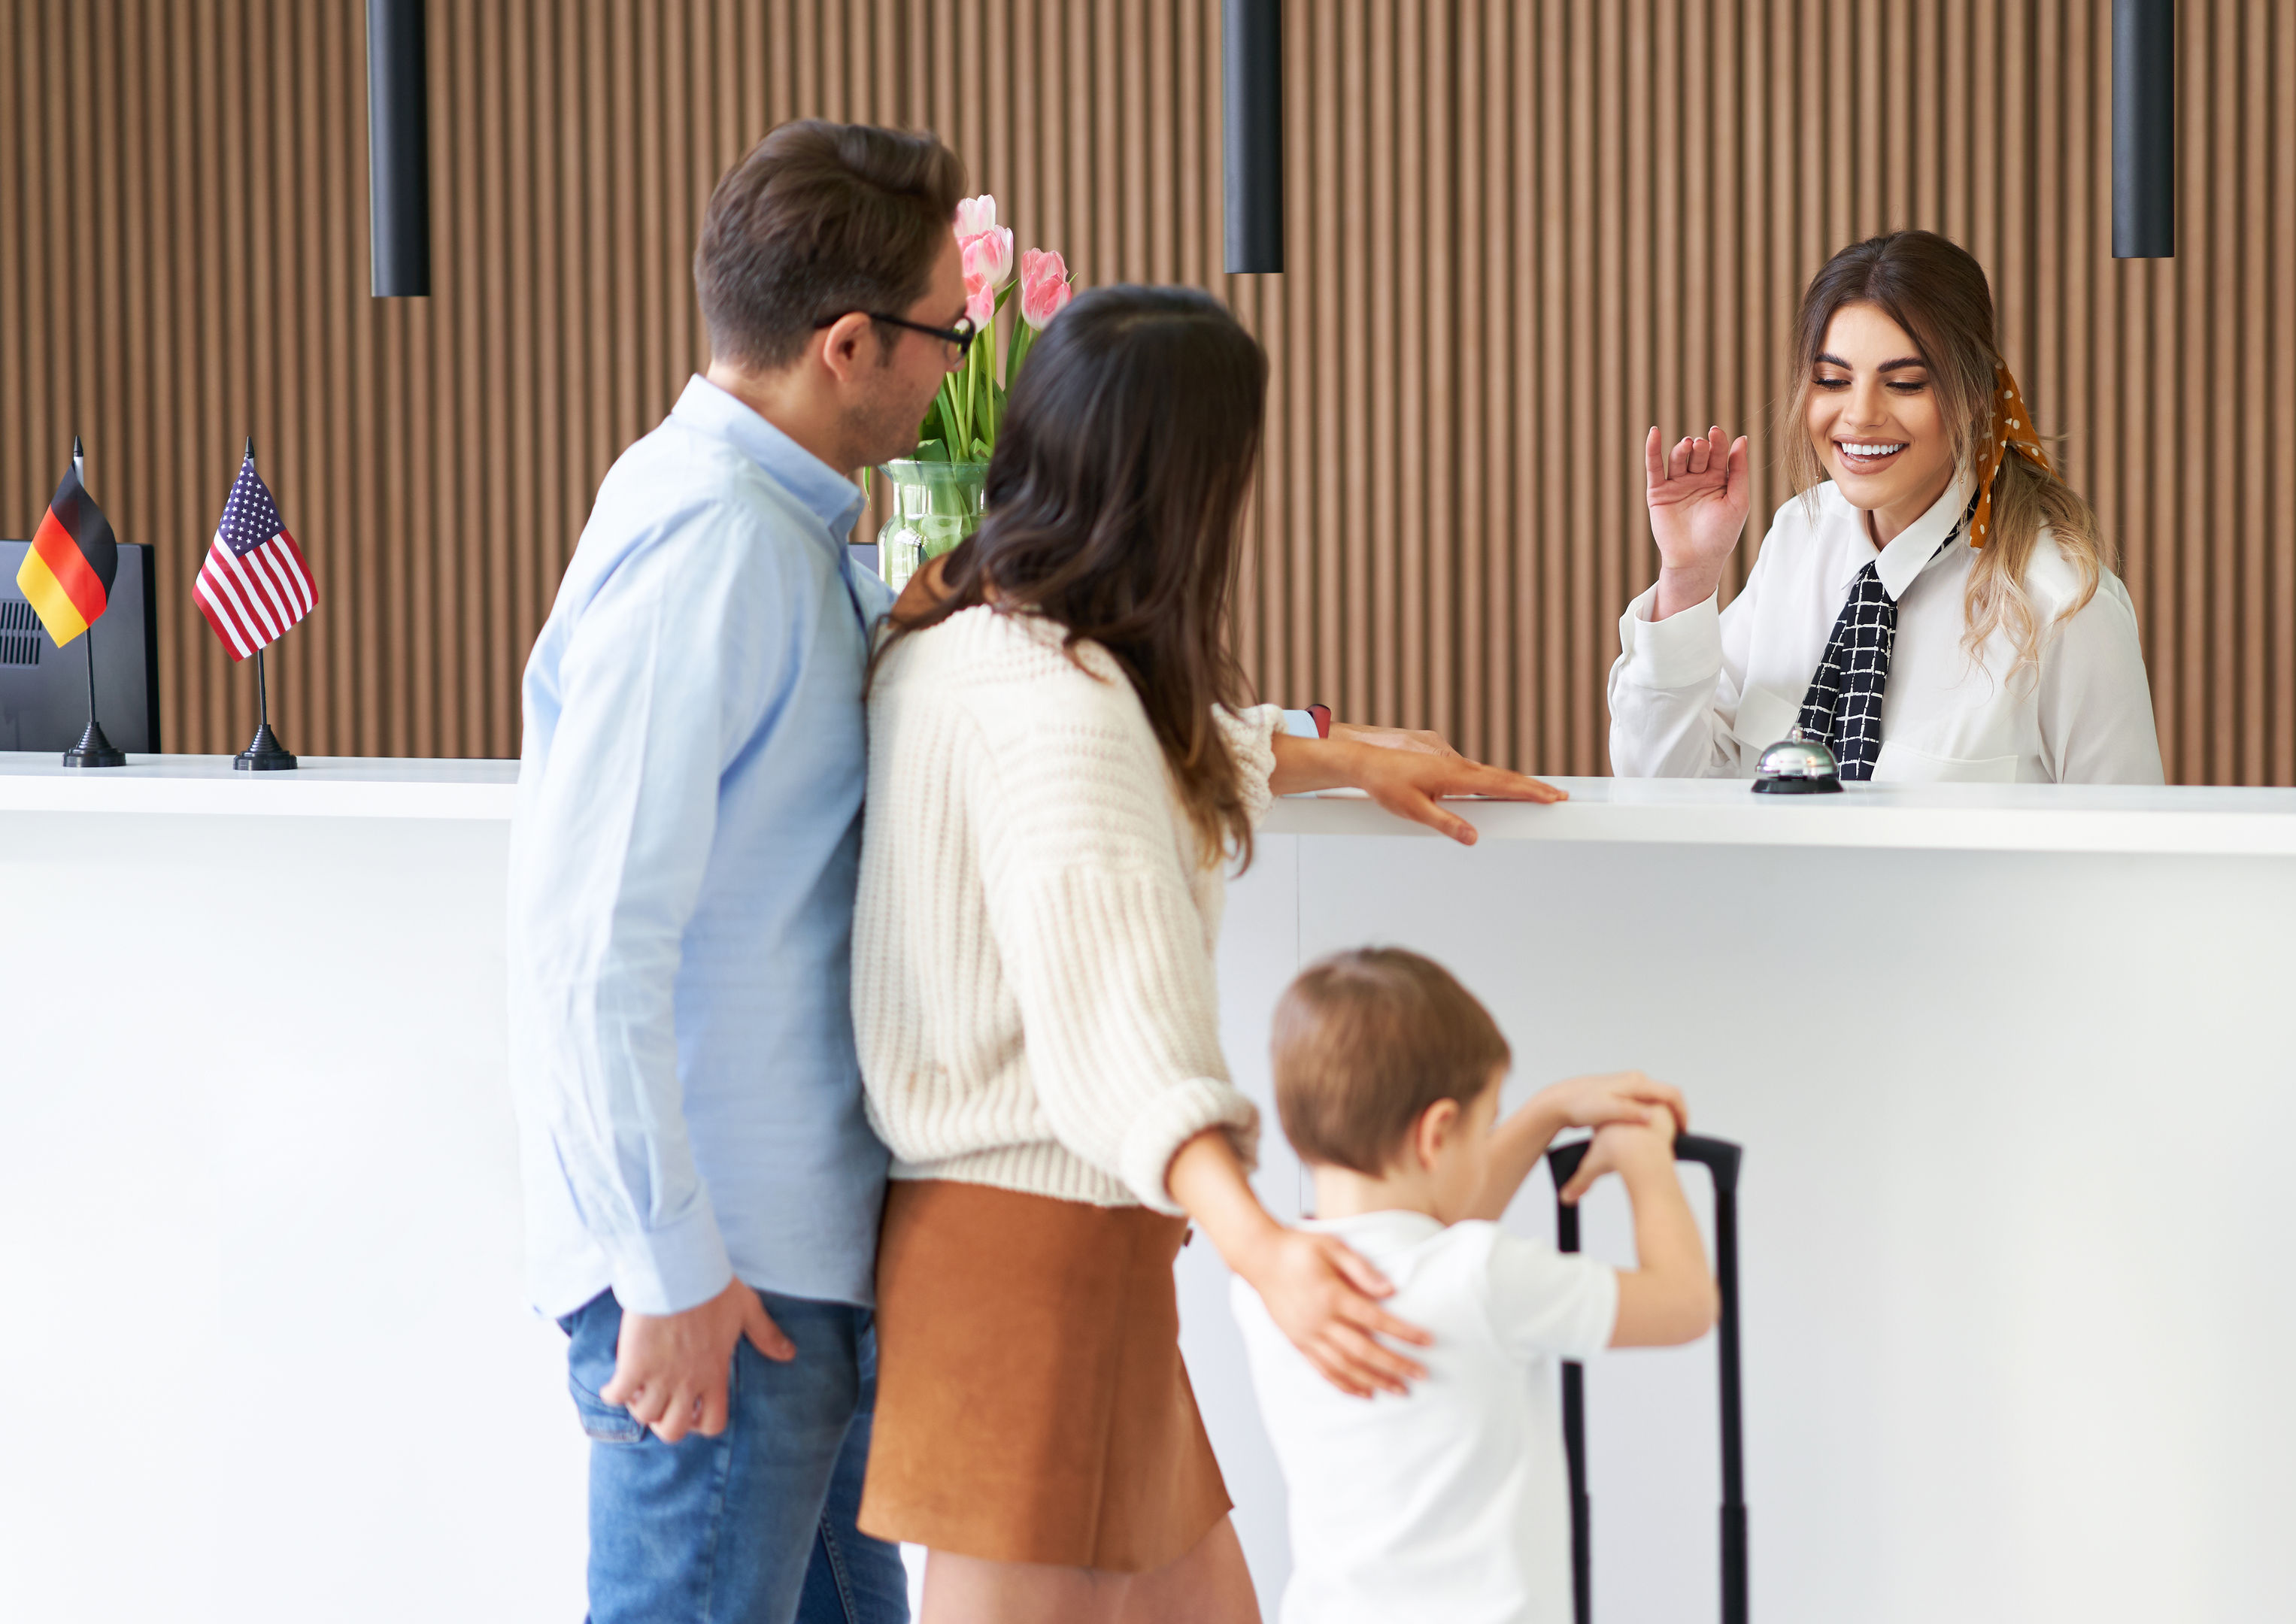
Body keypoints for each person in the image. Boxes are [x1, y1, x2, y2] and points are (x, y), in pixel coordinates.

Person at [851, 283, 1568, 1623]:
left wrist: (1343, 757)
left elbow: (1147, 754)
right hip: (1039, 1257)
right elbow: (1120, 1030)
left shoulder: (962, 624)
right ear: (1183, 490)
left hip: (1034, 1246)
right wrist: (1266, 1247)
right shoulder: (1063, 711)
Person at [505, 119, 976, 1624]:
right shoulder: (709, 540)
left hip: (783, 1285)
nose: (954, 370)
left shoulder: (785, 531)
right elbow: (591, 946)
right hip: (720, 1292)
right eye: (946, 336)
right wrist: (668, 1272)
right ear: (850, 345)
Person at [1232, 948, 1719, 1624]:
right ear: (1436, 1134)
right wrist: (1644, 1159)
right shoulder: (1483, 1275)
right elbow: (1686, 1304)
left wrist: (1552, 1111)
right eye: (1485, 1126)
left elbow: (1428, 1231)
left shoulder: (1272, 1287)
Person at [1609, 229, 2165, 785]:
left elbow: (2128, 836)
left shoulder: (2064, 606)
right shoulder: (1797, 538)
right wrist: (1687, 578)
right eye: (1832, 380)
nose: (1860, 415)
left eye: (1904, 383)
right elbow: (1663, 782)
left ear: (1976, 394)